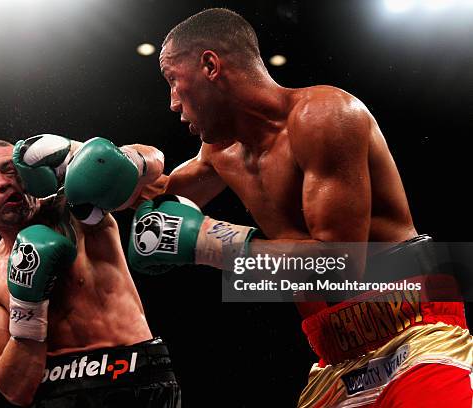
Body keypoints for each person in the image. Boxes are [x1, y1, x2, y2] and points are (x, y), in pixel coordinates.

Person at [127, 8, 472, 407]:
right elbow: (158, 202)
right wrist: (101, 165)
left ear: (210, 65)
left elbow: (341, 263)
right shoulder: (220, 153)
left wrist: (208, 241)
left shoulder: (324, 116)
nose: (172, 102)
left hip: (415, 333)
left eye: (173, 80)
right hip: (333, 360)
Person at [0, 136, 181, 407]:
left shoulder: (75, 207)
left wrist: (77, 150)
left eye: (11, 170)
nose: (4, 182)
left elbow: (153, 169)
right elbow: (15, 390)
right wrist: (28, 305)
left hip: (135, 375)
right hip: (58, 395)